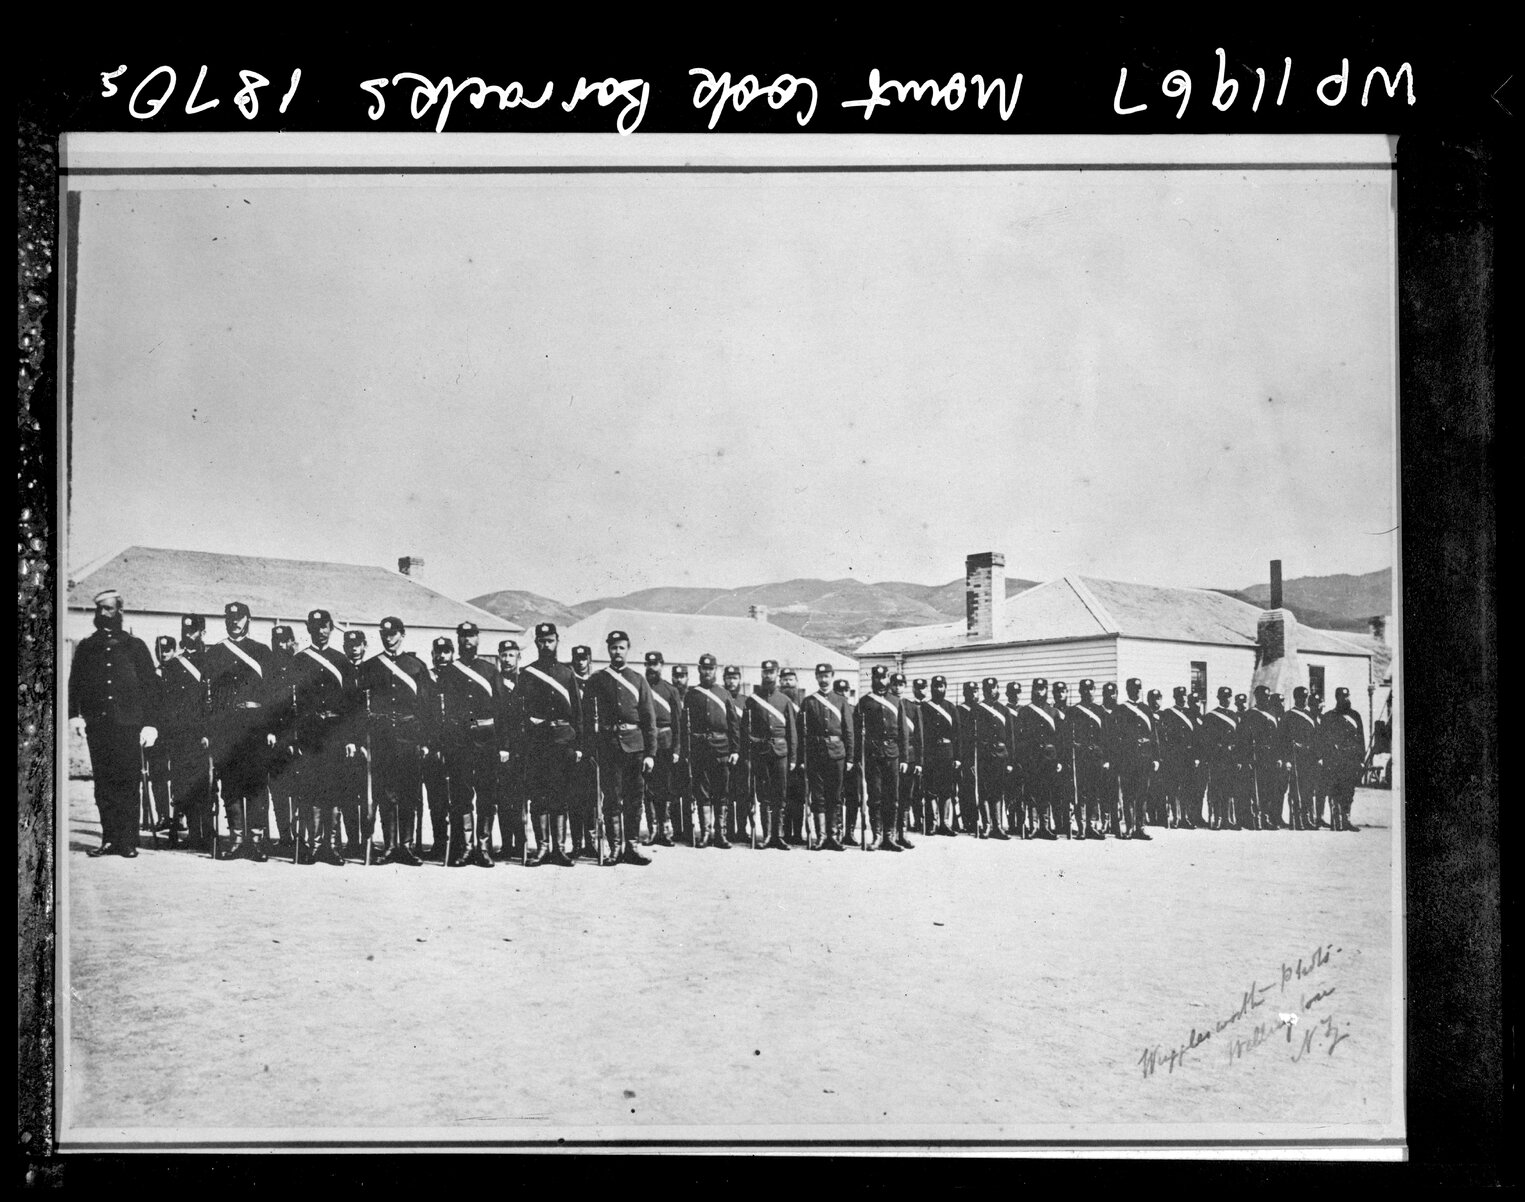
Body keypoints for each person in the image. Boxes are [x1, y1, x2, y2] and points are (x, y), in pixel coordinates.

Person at [68, 589, 160, 857]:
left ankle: (128, 841)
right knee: (104, 784)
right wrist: (75, 715)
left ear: (120, 611)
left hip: (128, 726)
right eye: (99, 609)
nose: (103, 614)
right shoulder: (87, 647)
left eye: (109, 609)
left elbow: (151, 688)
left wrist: (150, 724)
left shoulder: (135, 646)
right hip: (99, 726)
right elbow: (76, 683)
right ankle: (109, 838)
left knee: (128, 782)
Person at [204, 601, 277, 861]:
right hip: (227, 726)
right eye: (230, 617)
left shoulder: (262, 651)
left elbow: (272, 694)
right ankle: (235, 838)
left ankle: (256, 840)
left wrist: (271, 728)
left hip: (256, 725)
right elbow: (208, 696)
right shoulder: (215, 653)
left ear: (248, 620)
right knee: (231, 781)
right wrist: (210, 730)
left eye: (240, 618)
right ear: (225, 620)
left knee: (257, 782)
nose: (235, 622)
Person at [356, 616, 430, 865]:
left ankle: (406, 846)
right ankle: (389, 846)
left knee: (409, 792)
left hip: (409, 737)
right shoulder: (370, 667)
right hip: (382, 737)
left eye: (393, 633)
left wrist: (426, 741)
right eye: (384, 633)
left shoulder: (417, 666)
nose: (388, 637)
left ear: (402, 634)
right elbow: (358, 707)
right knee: (386, 792)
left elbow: (426, 708)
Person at [582, 631, 659, 865]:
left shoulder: (638, 679)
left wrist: (651, 754)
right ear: (608, 650)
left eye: (621, 648)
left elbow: (649, 719)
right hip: (608, 746)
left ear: (628, 649)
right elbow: (587, 716)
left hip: (635, 747)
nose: (617, 652)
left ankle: (632, 847)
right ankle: (615, 848)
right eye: (613, 648)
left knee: (635, 799)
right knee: (612, 799)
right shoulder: (597, 679)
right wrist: (591, 748)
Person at [286, 608, 354, 865]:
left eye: (325, 626)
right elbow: (292, 704)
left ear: (331, 628)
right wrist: (295, 737)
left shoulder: (342, 661)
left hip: (336, 732)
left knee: (334, 789)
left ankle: (332, 846)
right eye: (316, 626)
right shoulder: (300, 661)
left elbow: (351, 704)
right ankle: (314, 846)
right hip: (310, 732)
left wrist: (350, 738)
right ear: (309, 628)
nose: (321, 630)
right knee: (312, 788)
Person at [518, 623, 583, 867]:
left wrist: (579, 746)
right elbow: (519, 711)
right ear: (536, 643)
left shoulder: (567, 674)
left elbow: (577, 713)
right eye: (542, 641)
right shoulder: (527, 673)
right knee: (538, 796)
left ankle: (560, 849)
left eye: (550, 641)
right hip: (537, 743)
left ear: (557, 642)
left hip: (563, 742)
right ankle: (543, 848)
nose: (546, 645)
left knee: (561, 795)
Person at [436, 621, 499, 867]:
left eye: (471, 636)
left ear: (478, 639)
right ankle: (466, 847)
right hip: (459, 741)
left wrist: (502, 745)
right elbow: (443, 712)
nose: (467, 641)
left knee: (486, 794)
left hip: (486, 740)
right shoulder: (450, 671)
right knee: (461, 795)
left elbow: (501, 709)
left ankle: (483, 848)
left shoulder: (490, 670)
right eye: (463, 636)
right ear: (458, 640)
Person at [156, 614, 212, 849]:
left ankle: (206, 833)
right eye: (185, 631)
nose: (188, 636)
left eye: (193, 632)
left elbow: (213, 701)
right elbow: (168, 703)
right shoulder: (173, 665)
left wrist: (209, 731)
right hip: (180, 734)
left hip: (203, 735)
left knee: (205, 785)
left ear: (202, 633)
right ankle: (190, 832)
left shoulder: (212, 660)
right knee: (182, 784)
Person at [682, 653, 739, 848]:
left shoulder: (724, 694)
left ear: (716, 670)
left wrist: (735, 750)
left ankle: (720, 834)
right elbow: (684, 725)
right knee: (702, 791)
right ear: (699, 669)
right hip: (699, 750)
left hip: (721, 748)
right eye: (704, 668)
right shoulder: (692, 695)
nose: (707, 672)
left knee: (721, 791)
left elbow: (733, 724)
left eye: (711, 669)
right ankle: (706, 833)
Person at [800, 662, 852, 850]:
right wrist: (802, 759)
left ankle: (834, 836)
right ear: (816, 677)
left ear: (832, 676)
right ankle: (821, 836)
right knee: (819, 796)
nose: (823, 680)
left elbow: (849, 731)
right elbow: (801, 732)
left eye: (826, 676)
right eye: (820, 676)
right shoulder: (809, 702)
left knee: (835, 796)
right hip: (815, 754)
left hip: (837, 753)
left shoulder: (841, 701)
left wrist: (851, 758)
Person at [747, 660, 798, 850]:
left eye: (771, 672)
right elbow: (746, 729)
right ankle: (767, 835)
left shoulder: (784, 701)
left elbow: (792, 731)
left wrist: (793, 758)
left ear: (776, 674)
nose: (768, 676)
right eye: (765, 672)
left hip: (780, 752)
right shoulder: (753, 700)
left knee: (780, 795)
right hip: (760, 752)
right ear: (761, 674)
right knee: (764, 795)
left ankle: (780, 836)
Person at [855, 665, 907, 851]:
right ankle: (877, 836)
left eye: (883, 677)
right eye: (876, 678)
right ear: (872, 680)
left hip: (893, 754)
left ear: (888, 679)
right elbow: (856, 732)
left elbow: (903, 732)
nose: (880, 681)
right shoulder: (864, 702)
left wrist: (905, 759)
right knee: (875, 796)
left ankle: (889, 837)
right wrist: (857, 758)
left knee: (892, 797)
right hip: (872, 755)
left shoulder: (896, 701)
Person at [1012, 677, 1062, 839]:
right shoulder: (1025, 712)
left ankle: (1045, 826)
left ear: (1047, 690)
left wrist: (1059, 760)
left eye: (1042, 688)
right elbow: (1018, 739)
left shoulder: (1053, 712)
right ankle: (1033, 825)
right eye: (1036, 688)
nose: (1039, 691)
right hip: (1031, 758)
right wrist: (1021, 759)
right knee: (1031, 792)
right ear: (1032, 690)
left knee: (1046, 792)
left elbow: (1059, 740)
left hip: (1049, 759)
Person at [266, 624, 301, 854]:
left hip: (302, 736)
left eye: (284, 641)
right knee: (278, 789)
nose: (280, 646)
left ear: (292, 643)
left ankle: (301, 836)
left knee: (301, 789)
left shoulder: (303, 665)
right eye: (276, 641)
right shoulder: (267, 669)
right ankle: (285, 835)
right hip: (278, 736)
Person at [1110, 678, 1158, 840]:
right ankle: (1129, 828)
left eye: (1138, 688)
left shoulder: (1146, 709)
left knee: (1142, 794)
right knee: (1128, 794)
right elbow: (1115, 737)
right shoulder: (1120, 710)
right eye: (1133, 688)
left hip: (1145, 758)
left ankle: (1141, 828)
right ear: (1127, 689)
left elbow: (1154, 735)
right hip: (1127, 759)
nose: (1136, 691)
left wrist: (1156, 757)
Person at [642, 651, 682, 847]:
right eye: (648, 664)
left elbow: (678, 724)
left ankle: (665, 831)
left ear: (662, 665)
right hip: (645, 744)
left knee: (665, 788)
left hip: (665, 743)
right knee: (648, 789)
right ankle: (653, 830)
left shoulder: (670, 690)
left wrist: (676, 749)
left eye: (655, 664)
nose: (652, 667)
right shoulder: (641, 687)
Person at [492, 639, 527, 861]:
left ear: (518, 658)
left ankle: (522, 844)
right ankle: (506, 845)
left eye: (511, 655)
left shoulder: (526, 681)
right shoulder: (494, 681)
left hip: (523, 747)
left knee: (521, 797)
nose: (507, 660)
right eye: (503, 655)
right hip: (500, 747)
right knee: (503, 798)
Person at [421, 637, 455, 861]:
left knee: (459, 799)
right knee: (436, 800)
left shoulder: (460, 676)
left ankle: (460, 843)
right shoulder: (427, 677)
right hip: (433, 748)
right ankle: (440, 842)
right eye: (438, 652)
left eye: (446, 652)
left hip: (457, 747)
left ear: (452, 653)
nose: (442, 656)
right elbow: (422, 712)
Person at [340, 629, 372, 857]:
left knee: (370, 796)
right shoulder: (341, 672)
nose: (353, 648)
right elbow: (342, 712)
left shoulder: (373, 670)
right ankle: (353, 841)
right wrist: (351, 740)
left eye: (357, 644)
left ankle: (368, 841)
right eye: (349, 645)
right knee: (349, 794)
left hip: (373, 742)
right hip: (350, 743)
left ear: (364, 645)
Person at [1318, 686, 1365, 831]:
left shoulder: (1355, 716)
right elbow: (1323, 740)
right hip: (1334, 761)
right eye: (1343, 696)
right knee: (1334, 790)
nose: (1346, 699)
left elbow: (1360, 739)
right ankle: (1336, 821)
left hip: (1351, 760)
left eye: (1347, 696)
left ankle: (1346, 820)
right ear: (1337, 698)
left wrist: (1361, 759)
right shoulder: (1328, 717)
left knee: (1349, 790)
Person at [920, 676, 961, 837]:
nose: (938, 689)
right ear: (931, 688)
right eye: (936, 686)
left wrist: (957, 757)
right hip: (931, 753)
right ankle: (932, 823)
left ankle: (945, 823)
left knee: (947, 789)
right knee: (930, 789)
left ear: (946, 688)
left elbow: (957, 735)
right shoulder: (924, 708)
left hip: (947, 752)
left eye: (941, 686)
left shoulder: (951, 708)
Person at [568, 645, 600, 857]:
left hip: (594, 747)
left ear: (589, 660)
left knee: (592, 798)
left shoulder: (596, 682)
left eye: (584, 659)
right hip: (573, 746)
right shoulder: (568, 682)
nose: (580, 662)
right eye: (577, 659)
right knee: (574, 797)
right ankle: (577, 843)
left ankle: (592, 842)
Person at [145, 636, 177, 838]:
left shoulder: (181, 670)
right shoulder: (151, 675)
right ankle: (164, 815)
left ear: (174, 650)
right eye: (160, 650)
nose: (163, 654)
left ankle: (179, 816)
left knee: (178, 775)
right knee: (158, 775)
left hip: (177, 732)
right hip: (157, 733)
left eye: (167, 650)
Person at [1242, 685, 1286, 830]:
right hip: (1256, 757)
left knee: (1269, 788)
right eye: (1263, 696)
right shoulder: (1249, 715)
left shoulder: (1272, 713)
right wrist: (1247, 759)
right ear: (1257, 697)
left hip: (1271, 757)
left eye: (1267, 696)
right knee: (1255, 789)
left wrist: (1279, 757)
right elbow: (1244, 740)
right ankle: (1255, 818)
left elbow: (1278, 738)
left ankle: (1267, 818)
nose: (1266, 699)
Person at [974, 677, 1013, 840]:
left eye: (994, 688)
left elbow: (1010, 737)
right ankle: (987, 825)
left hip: (1000, 755)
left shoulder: (1004, 710)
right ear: (983, 690)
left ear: (998, 689)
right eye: (987, 688)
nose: (991, 691)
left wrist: (1010, 761)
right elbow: (971, 736)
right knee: (984, 791)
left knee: (998, 791)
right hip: (984, 756)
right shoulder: (976, 710)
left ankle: (998, 826)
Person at [1199, 686, 1241, 831]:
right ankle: (1217, 818)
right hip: (1217, 758)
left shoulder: (1235, 716)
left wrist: (1238, 759)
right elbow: (1206, 740)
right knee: (1216, 789)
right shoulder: (1211, 716)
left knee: (1230, 789)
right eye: (1224, 697)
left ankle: (1229, 818)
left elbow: (1239, 740)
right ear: (1219, 698)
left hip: (1231, 758)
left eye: (1229, 696)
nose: (1227, 699)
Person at [1157, 686, 1200, 829]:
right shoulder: (1168, 714)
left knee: (1187, 787)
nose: (1182, 698)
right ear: (1175, 697)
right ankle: (1175, 818)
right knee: (1174, 788)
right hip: (1174, 756)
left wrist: (1195, 756)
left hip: (1188, 756)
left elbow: (1195, 737)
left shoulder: (1191, 713)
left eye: (1184, 695)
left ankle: (1185, 818)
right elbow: (1163, 736)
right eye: (1179, 696)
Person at [1071, 679, 1109, 840]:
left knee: (1095, 792)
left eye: (1090, 689)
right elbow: (1068, 736)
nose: (1087, 692)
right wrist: (1077, 746)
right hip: (1081, 757)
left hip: (1097, 758)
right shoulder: (1073, 711)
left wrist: (1106, 758)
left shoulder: (1100, 711)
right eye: (1084, 689)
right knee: (1081, 793)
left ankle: (1092, 826)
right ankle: (1081, 827)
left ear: (1095, 690)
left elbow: (1107, 736)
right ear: (1080, 691)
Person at [1280, 686, 1320, 831]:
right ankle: (1296, 820)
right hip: (1295, 756)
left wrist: (1317, 757)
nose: (1303, 700)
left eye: (1305, 697)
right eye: (1300, 697)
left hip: (1309, 757)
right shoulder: (1288, 716)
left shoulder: (1312, 715)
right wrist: (1287, 760)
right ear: (1296, 698)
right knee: (1295, 790)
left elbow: (1316, 738)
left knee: (1308, 789)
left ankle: (1307, 818)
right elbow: (1282, 740)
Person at [888, 673, 919, 849]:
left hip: (909, 757)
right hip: (891, 756)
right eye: (895, 684)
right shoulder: (887, 704)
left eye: (901, 684)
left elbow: (919, 736)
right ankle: (890, 834)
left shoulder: (912, 707)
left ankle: (902, 834)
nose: (898, 688)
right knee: (892, 795)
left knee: (906, 796)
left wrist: (919, 762)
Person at [779, 667, 809, 844]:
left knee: (798, 798)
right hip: (781, 755)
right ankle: (784, 833)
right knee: (782, 796)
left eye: (790, 679)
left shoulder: (803, 704)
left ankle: (797, 833)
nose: (787, 683)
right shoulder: (779, 703)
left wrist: (803, 759)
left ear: (797, 682)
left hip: (799, 759)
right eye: (784, 680)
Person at [723, 665, 748, 843]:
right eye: (728, 678)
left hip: (744, 754)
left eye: (734, 678)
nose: (731, 681)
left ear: (740, 680)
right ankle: (728, 830)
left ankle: (742, 830)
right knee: (726, 792)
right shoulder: (720, 698)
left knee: (743, 794)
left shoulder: (746, 701)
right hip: (725, 752)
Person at [670, 663, 694, 843]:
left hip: (692, 750)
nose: (679, 680)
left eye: (682, 676)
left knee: (689, 792)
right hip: (674, 749)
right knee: (674, 792)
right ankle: (677, 829)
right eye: (676, 676)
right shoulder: (671, 694)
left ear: (687, 678)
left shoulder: (692, 696)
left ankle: (689, 829)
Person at [1050, 681, 1075, 838]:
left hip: (1070, 756)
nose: (1060, 694)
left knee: (1069, 792)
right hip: (1055, 756)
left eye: (1063, 691)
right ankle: (1058, 824)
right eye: (1057, 692)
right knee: (1055, 792)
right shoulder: (1050, 711)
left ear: (1067, 693)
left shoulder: (1073, 711)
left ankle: (1068, 824)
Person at [956, 681, 981, 834]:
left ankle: (981, 821)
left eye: (975, 691)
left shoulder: (981, 709)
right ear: (964, 693)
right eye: (970, 691)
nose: (973, 694)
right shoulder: (959, 710)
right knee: (966, 789)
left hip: (981, 755)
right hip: (966, 755)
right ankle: (968, 821)